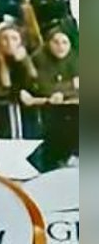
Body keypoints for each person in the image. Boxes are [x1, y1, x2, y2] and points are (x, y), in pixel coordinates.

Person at [33, 26, 78, 168]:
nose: (61, 47)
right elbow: (41, 87)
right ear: (48, 43)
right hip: (46, 119)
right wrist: (71, 86)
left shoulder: (76, 60)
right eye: (56, 42)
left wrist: (62, 92)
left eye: (65, 42)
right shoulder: (38, 59)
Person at [0, 21, 41, 139]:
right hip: (1, 118)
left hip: (28, 117)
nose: (10, 43)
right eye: (5, 39)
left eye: (14, 38)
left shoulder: (31, 58)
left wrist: (22, 63)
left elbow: (36, 84)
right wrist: (17, 92)